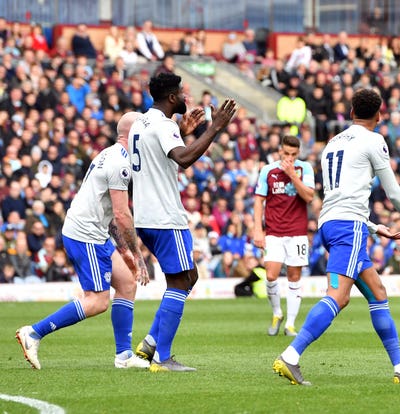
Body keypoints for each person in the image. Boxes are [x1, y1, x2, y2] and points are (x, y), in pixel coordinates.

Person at [272, 88, 400, 386]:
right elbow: (393, 192)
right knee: (339, 296)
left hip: (333, 223)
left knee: (377, 292)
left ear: (350, 113)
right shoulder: (373, 140)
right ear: (380, 114)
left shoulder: (332, 143)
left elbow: (340, 194)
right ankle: (291, 356)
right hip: (349, 227)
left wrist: (372, 227)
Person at [15, 111, 151, 370]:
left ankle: (123, 357)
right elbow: (122, 215)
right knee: (98, 301)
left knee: (127, 284)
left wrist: (123, 249)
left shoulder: (111, 153)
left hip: (93, 231)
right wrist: (139, 256)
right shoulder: (120, 164)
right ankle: (33, 333)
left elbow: (109, 211)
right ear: (134, 135)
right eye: (143, 130)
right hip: (85, 234)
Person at [129, 73, 237, 372]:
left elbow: (159, 157)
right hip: (165, 215)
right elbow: (183, 159)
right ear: (172, 98)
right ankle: (162, 358)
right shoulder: (163, 126)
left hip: (146, 214)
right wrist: (215, 127)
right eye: (181, 93)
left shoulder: (141, 123)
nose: (186, 98)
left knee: (189, 278)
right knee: (179, 282)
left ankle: (150, 342)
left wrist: (183, 132)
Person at [253, 135, 315, 337]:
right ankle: (277, 313)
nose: (289, 158)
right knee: (271, 275)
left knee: (294, 277)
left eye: (294, 154)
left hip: (297, 232)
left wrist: (293, 175)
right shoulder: (267, 170)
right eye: (286, 153)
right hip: (273, 231)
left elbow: (308, 196)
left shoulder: (304, 169)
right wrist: (257, 229)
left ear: (298, 153)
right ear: (280, 150)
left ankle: (290, 323)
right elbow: (258, 201)